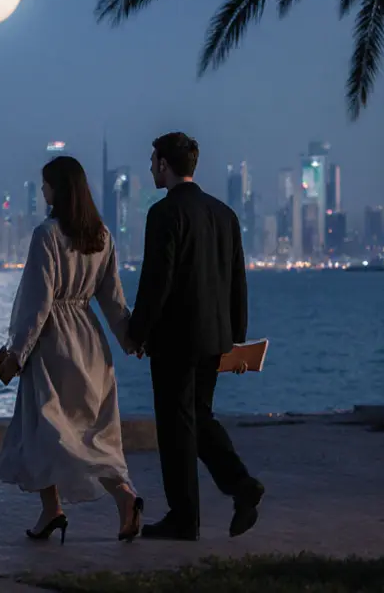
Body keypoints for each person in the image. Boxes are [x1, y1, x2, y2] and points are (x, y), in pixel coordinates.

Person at [0, 155, 144, 544]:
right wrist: (129, 340)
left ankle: (52, 509)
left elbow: (37, 303)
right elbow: (113, 299)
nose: (42, 190)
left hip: (52, 344)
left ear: (58, 189)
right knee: (95, 430)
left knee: (45, 429)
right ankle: (123, 496)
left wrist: (17, 352)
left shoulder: (47, 235)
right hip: (90, 341)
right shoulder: (103, 236)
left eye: (46, 184)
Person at [127, 132, 264, 541]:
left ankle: (184, 517)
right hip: (214, 339)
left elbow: (157, 282)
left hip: (174, 341)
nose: (151, 167)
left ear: (166, 165)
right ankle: (241, 485)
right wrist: (236, 340)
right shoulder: (224, 214)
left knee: (175, 427)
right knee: (198, 417)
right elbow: (237, 282)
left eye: (154, 160)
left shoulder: (164, 214)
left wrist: (138, 332)